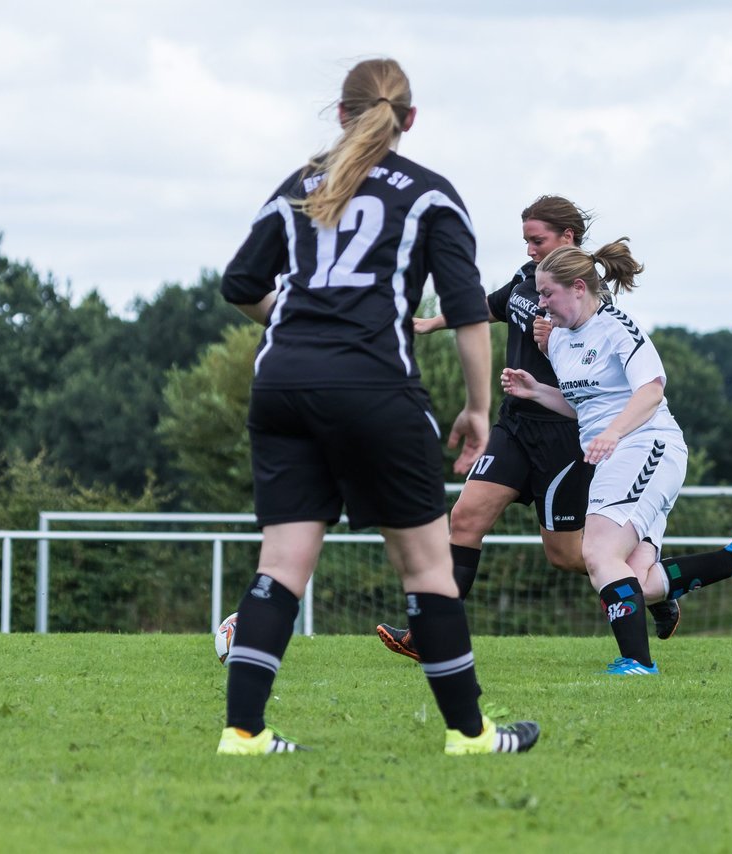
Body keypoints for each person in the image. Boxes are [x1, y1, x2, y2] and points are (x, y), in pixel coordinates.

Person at [216, 57, 538, 756]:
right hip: (372, 388)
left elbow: (239, 283)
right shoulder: (431, 197)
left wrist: (294, 321)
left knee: (281, 566)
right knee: (427, 568)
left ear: (340, 114)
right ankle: (471, 735)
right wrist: (479, 409)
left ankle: (242, 733)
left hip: (282, 387)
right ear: (410, 120)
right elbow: (466, 314)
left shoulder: (302, 183)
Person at [375, 198, 681, 660]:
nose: (530, 249)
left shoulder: (586, 302)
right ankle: (430, 634)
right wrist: (432, 322)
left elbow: (628, 383)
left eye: (537, 240)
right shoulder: (527, 281)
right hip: (515, 425)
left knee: (569, 556)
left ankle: (652, 588)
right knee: (464, 517)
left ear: (568, 239)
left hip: (564, 437)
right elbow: (488, 307)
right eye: (526, 241)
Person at [501, 241, 732, 674]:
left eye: (546, 293)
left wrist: (613, 434)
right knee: (640, 581)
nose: (541, 304)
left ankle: (636, 662)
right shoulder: (559, 341)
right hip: (615, 454)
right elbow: (588, 406)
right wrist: (536, 391)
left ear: (578, 288)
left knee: (596, 551)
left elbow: (651, 391)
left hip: (647, 445)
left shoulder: (617, 328)